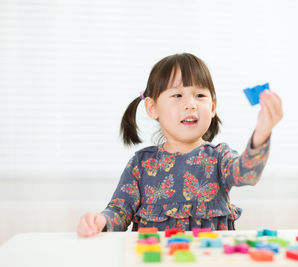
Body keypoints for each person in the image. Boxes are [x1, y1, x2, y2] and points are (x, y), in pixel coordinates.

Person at [77, 53, 283, 237]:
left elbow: (247, 173)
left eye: (200, 95)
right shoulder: (141, 164)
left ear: (212, 107)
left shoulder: (219, 157)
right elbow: (120, 211)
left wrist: (262, 131)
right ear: (152, 107)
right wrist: (101, 220)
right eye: (177, 95)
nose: (191, 104)